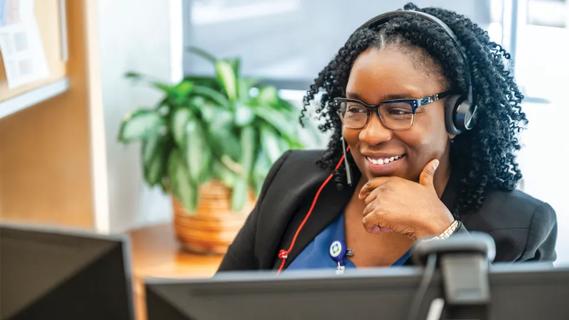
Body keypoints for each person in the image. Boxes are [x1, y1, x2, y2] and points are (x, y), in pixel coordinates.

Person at [218, 3, 557, 272]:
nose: (370, 133)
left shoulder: (520, 229)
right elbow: (215, 307)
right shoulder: (292, 179)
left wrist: (441, 232)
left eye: (399, 109)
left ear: (459, 115)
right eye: (355, 108)